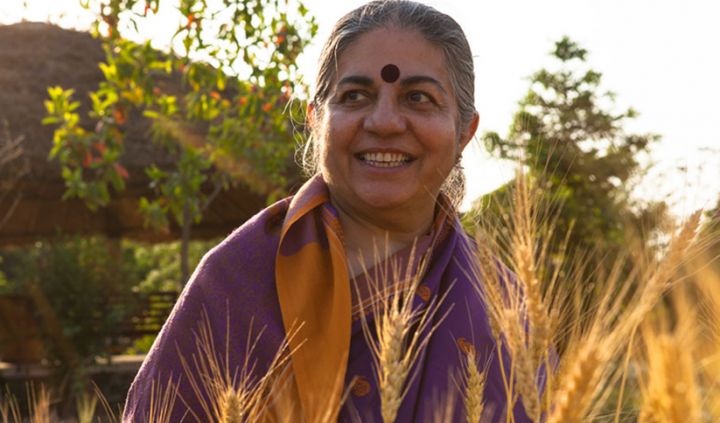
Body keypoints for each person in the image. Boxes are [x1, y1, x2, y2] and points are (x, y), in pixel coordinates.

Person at [123, 1, 532, 422]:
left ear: (464, 131)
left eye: (418, 98)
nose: (385, 121)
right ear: (317, 121)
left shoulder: (507, 306)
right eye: (355, 96)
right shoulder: (235, 283)